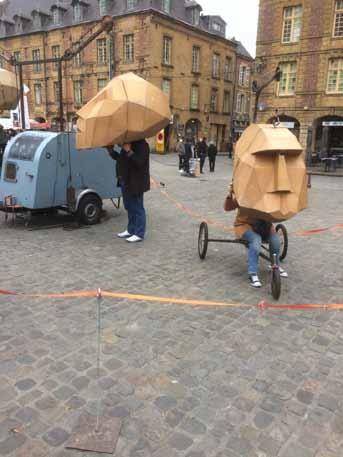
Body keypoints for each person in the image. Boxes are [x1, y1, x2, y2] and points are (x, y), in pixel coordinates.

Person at [233, 206, 288, 288]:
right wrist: (231, 197)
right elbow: (227, 207)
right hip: (245, 225)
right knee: (256, 241)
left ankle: (275, 265)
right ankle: (253, 273)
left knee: (276, 241)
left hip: (265, 226)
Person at [107, 139, 150, 243]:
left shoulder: (143, 145)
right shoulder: (128, 143)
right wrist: (111, 151)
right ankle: (131, 230)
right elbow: (120, 159)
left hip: (136, 182)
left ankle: (139, 233)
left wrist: (128, 150)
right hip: (125, 180)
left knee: (137, 207)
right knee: (129, 206)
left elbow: (139, 162)